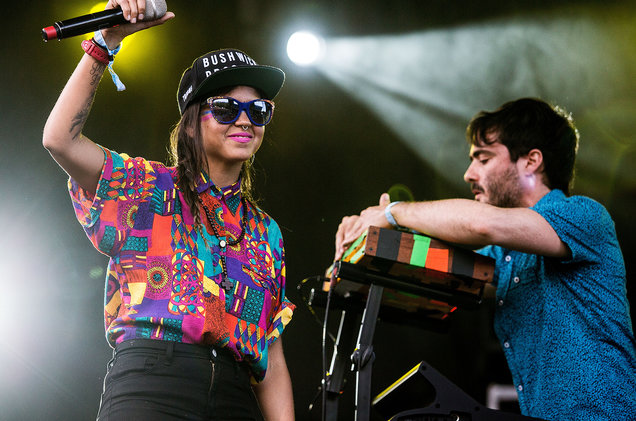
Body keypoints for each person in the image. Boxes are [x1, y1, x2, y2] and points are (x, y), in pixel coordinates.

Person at [42, 1, 295, 420]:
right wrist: (106, 42)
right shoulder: (145, 187)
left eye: (259, 110)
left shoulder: (266, 232)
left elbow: (271, 355)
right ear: (193, 122)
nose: (246, 120)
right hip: (153, 383)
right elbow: (59, 140)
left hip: (236, 397)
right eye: (227, 108)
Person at [334, 98, 636, 420]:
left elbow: (481, 224)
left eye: (483, 158)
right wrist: (364, 243)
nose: (468, 173)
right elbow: (427, 268)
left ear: (531, 161)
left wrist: (393, 213)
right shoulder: (504, 255)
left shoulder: (584, 215)